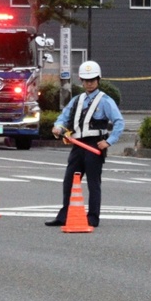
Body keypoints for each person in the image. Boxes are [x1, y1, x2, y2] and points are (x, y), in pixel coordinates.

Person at [45, 61, 125, 228]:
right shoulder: (76, 100)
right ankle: (64, 215)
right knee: (69, 180)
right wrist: (57, 127)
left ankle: (93, 217)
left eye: (93, 80)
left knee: (93, 183)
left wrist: (109, 142)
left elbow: (119, 122)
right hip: (77, 144)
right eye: (86, 80)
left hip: (94, 145)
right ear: (81, 80)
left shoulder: (105, 100)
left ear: (98, 80)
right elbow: (63, 117)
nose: (89, 83)